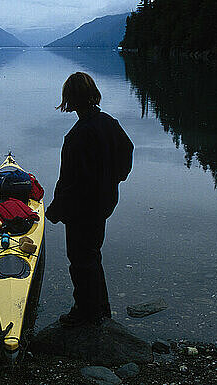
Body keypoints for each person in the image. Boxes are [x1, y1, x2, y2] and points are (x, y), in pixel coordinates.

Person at [45, 72, 134, 327]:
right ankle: (100, 308)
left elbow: (72, 183)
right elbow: (127, 150)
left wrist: (54, 211)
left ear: (70, 100)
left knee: (81, 259)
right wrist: (116, 178)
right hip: (104, 203)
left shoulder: (77, 136)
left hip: (82, 210)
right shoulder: (109, 123)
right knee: (93, 255)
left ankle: (85, 312)